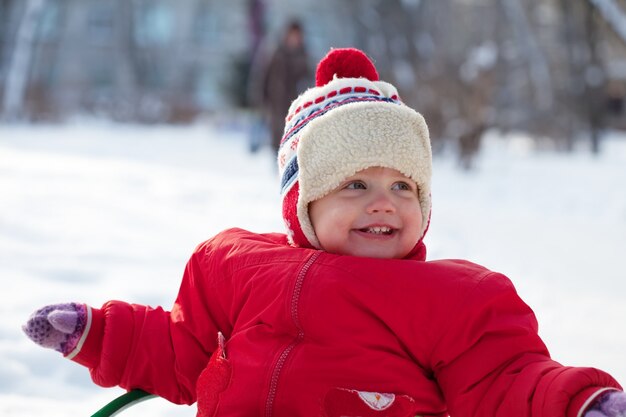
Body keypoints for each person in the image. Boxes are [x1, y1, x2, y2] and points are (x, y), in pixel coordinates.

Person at [22, 48, 625, 417]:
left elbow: (505, 380)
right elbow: (182, 349)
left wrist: (576, 401)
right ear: (301, 205)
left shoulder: (458, 299)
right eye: (355, 186)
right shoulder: (234, 264)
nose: (383, 203)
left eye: (403, 187)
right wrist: (99, 332)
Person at [262, 19, 310, 154]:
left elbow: (308, 80)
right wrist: (263, 99)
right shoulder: (277, 53)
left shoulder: (304, 56)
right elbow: (265, 77)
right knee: (276, 142)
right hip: (277, 104)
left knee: (293, 143)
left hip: (296, 107)